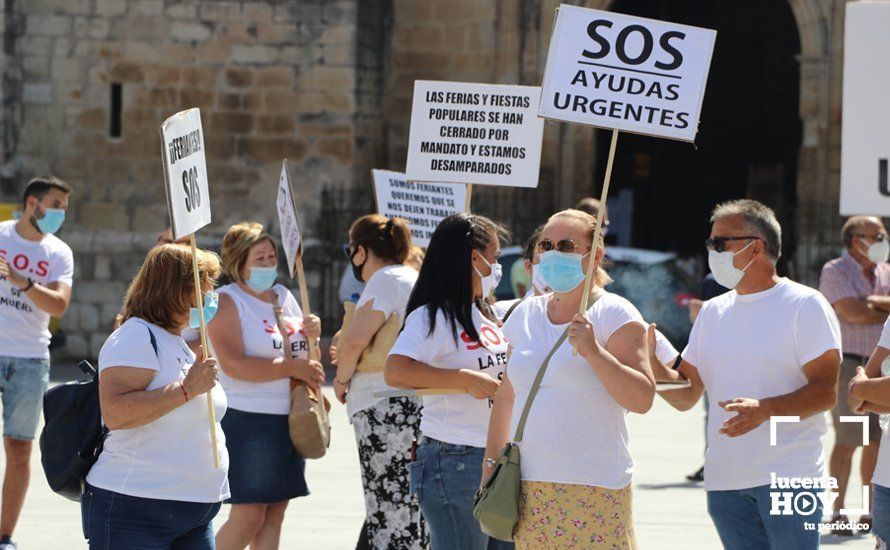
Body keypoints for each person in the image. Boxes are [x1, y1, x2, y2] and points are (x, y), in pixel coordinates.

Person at [653, 200, 841, 549]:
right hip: (726, 481)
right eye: (711, 243)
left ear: (755, 247)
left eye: (719, 243)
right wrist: (649, 365)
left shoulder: (806, 305)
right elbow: (685, 394)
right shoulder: (712, 313)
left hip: (790, 477)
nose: (711, 251)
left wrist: (765, 409)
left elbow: (825, 393)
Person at [485, 209, 654, 548]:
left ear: (596, 255)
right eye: (546, 244)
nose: (553, 253)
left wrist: (594, 351)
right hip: (529, 485)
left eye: (565, 245)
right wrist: (490, 465)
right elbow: (507, 396)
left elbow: (642, 397)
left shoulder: (615, 313)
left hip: (595, 485)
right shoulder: (525, 314)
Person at [84, 243, 228, 548]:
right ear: (177, 288)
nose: (211, 294)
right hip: (137, 508)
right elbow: (117, 412)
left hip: (193, 510)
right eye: (205, 284)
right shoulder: (136, 336)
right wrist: (186, 389)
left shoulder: (175, 339)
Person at [385, 213, 512, 550]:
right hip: (455, 457)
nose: (498, 267)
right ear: (474, 258)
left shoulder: (487, 312)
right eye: (495, 257)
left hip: (499, 456)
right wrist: (461, 379)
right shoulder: (432, 316)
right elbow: (396, 371)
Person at [209, 223, 325, 550]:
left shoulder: (282, 296)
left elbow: (299, 351)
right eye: (258, 258)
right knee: (248, 516)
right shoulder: (226, 301)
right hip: (249, 419)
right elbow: (234, 365)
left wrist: (311, 332)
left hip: (289, 416)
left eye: (271, 257)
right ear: (238, 262)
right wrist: (292, 367)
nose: (268, 264)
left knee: (275, 513)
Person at [332, 215, 427, 549]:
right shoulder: (413, 276)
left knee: (387, 506)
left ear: (360, 251)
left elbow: (358, 340)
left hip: (382, 406)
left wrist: (341, 379)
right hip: (407, 402)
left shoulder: (385, 279)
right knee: (405, 502)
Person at [0, 176, 74, 550]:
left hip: (29, 359)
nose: (61, 212)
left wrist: (22, 282)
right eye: (56, 204)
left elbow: (59, 305)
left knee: (18, 449)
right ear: (33, 203)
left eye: (64, 206)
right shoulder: (0, 236)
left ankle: (4, 536)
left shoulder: (59, 252)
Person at [820, 215, 890, 533]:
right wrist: (881, 306)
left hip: (882, 367)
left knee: (876, 443)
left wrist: (872, 302)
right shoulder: (835, 270)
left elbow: (864, 309)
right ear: (855, 240)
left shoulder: (886, 270)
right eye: (875, 236)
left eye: (883, 235)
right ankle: (837, 512)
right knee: (848, 441)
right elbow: (853, 313)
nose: (881, 241)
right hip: (849, 364)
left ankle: (869, 511)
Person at [847, 317, 890, 545]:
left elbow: (859, 391)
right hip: (887, 483)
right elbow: (856, 402)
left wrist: (859, 387)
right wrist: (865, 393)